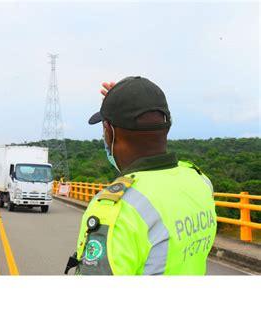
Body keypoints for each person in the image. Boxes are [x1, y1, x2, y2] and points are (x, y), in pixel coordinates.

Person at [65, 76, 216, 275]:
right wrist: (124, 98)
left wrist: (122, 101)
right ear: (167, 126)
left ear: (108, 132)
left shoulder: (115, 210)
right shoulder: (199, 180)